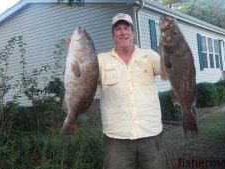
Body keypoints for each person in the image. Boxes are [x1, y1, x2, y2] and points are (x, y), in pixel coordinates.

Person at [68, 13, 171, 169]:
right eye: (118, 29)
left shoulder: (149, 55)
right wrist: (75, 54)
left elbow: (167, 72)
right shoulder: (100, 60)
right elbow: (83, 80)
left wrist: (170, 47)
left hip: (151, 135)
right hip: (116, 139)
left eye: (127, 28)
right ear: (113, 34)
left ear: (133, 32)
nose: (123, 32)